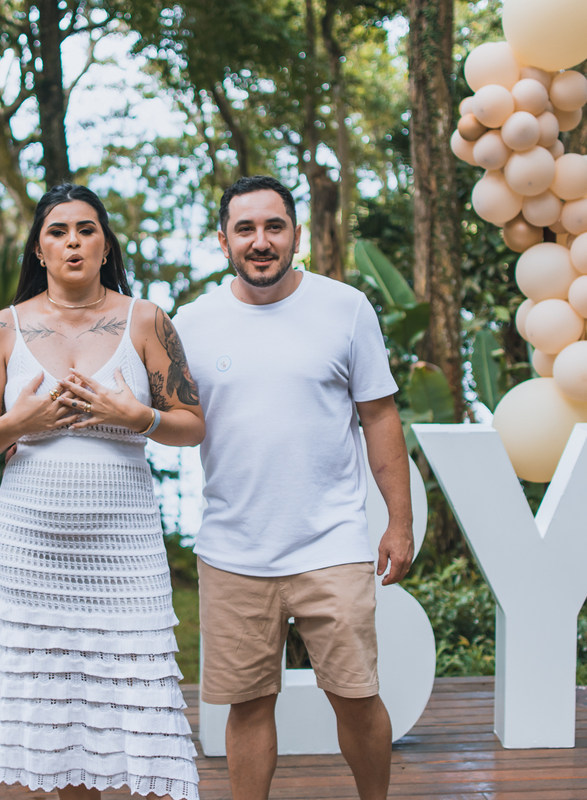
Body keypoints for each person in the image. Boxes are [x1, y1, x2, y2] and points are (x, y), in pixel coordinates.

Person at [0, 184, 205, 800]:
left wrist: (133, 417)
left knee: (136, 708)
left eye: (86, 229)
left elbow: (192, 425)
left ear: (105, 244)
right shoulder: (3, 327)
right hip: (31, 550)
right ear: (39, 250)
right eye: (58, 231)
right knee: (59, 717)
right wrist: (22, 424)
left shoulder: (146, 320)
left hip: (125, 549)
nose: (73, 241)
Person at [172, 175, 414, 800]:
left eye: (273, 227)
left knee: (356, 697)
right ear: (222, 240)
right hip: (233, 549)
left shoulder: (346, 307)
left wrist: (398, 522)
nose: (260, 242)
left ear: (295, 235)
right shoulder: (192, 323)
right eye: (245, 229)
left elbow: (380, 416)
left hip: (331, 542)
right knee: (247, 706)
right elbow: (150, 413)